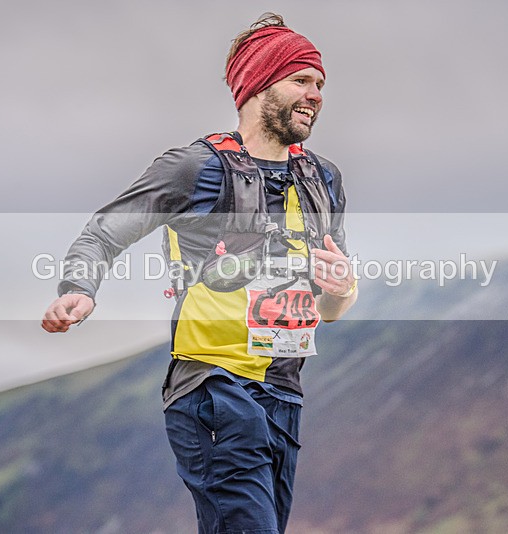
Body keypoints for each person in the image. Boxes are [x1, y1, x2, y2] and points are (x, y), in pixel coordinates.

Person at [41, 12, 357, 534]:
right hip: (213, 386)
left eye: (320, 83)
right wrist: (79, 288)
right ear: (258, 85)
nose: (316, 94)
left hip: (284, 391)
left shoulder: (323, 178)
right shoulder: (195, 168)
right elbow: (104, 231)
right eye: (301, 79)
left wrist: (340, 287)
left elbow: (335, 307)